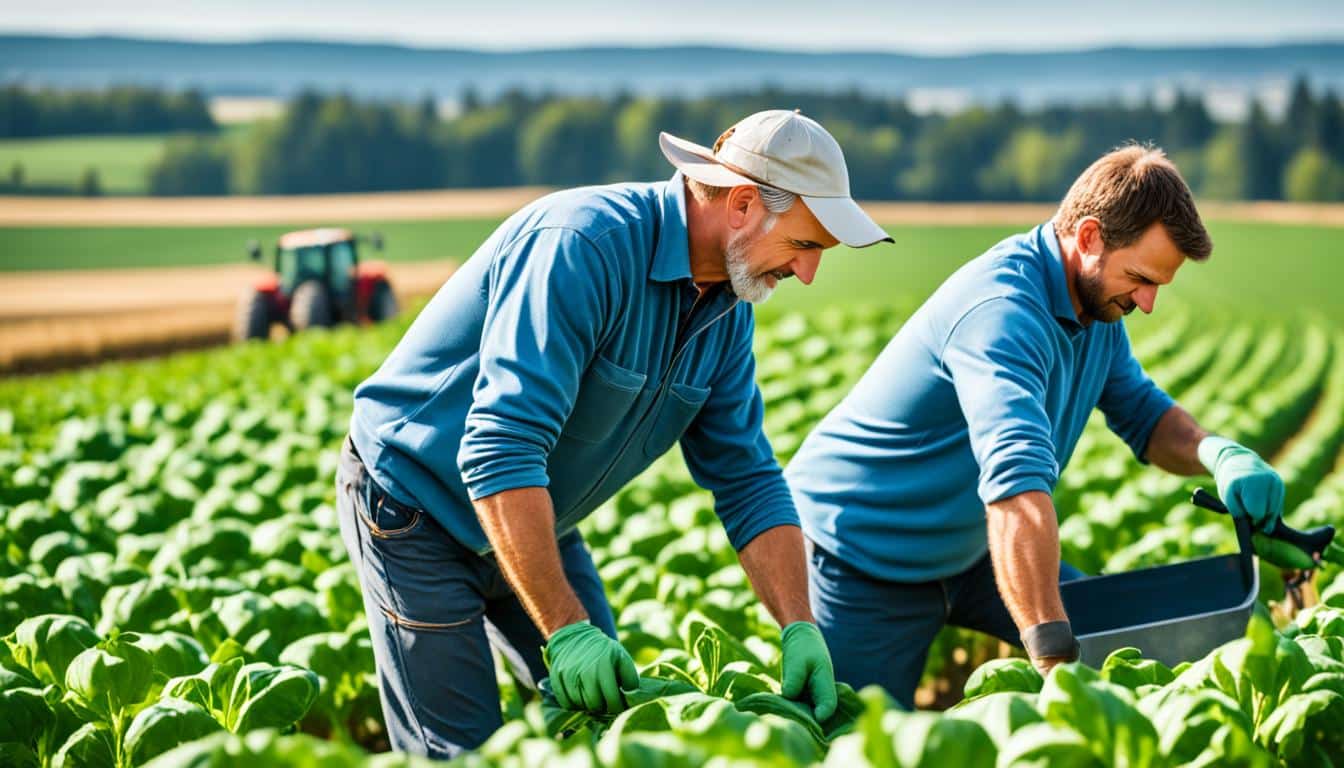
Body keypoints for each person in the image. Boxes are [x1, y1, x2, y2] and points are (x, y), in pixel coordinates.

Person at [336, 109, 894, 757]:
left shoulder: (727, 312)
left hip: (535, 513)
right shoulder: (583, 246)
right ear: (742, 204)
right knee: (457, 752)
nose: (806, 275)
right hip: (416, 512)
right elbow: (499, 447)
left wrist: (800, 624)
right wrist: (567, 629)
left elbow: (745, 478)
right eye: (805, 246)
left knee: (613, 725)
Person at [786, 145, 1287, 709]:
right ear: (1090, 236)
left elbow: (1145, 417)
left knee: (1121, 657)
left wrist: (1215, 452)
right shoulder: (1003, 312)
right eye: (1141, 279)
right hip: (862, 552)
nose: (1147, 303)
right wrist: (1052, 657)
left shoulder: (1096, 309)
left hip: (970, 544)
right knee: (856, 735)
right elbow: (1015, 489)